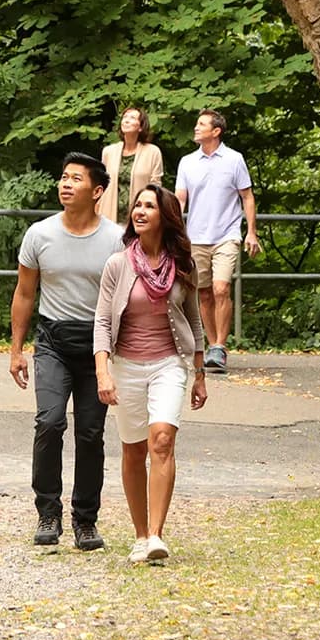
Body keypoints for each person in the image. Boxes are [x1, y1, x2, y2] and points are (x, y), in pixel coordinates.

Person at [9, 152, 124, 550]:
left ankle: (85, 519)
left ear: (97, 191)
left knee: (90, 433)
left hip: (96, 345)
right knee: (50, 421)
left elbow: (124, 300)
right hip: (53, 341)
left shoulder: (115, 239)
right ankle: (48, 511)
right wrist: (16, 349)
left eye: (76, 179)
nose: (66, 184)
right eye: (63, 177)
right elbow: (25, 293)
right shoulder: (39, 234)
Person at [93, 185, 208, 564]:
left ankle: (157, 535)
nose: (140, 211)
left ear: (166, 215)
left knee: (161, 441)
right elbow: (102, 321)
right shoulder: (117, 264)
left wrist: (199, 372)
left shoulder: (183, 265)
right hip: (126, 365)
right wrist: (103, 372)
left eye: (149, 206)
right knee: (133, 449)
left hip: (169, 364)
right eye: (137, 206)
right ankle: (140, 534)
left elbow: (194, 320)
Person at [174, 109, 259, 373]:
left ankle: (220, 346)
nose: (196, 127)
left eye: (201, 124)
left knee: (221, 288)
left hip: (227, 235)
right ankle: (212, 347)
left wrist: (251, 232)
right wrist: (173, 231)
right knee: (204, 292)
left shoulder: (234, 159)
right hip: (196, 236)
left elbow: (247, 196)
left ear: (216, 131)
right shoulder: (187, 162)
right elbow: (179, 200)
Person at [99, 105, 164, 225]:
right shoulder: (109, 151)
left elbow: (156, 187)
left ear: (141, 127)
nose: (126, 120)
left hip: (140, 217)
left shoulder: (152, 152)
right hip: (109, 216)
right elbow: (101, 184)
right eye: (125, 117)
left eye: (132, 118)